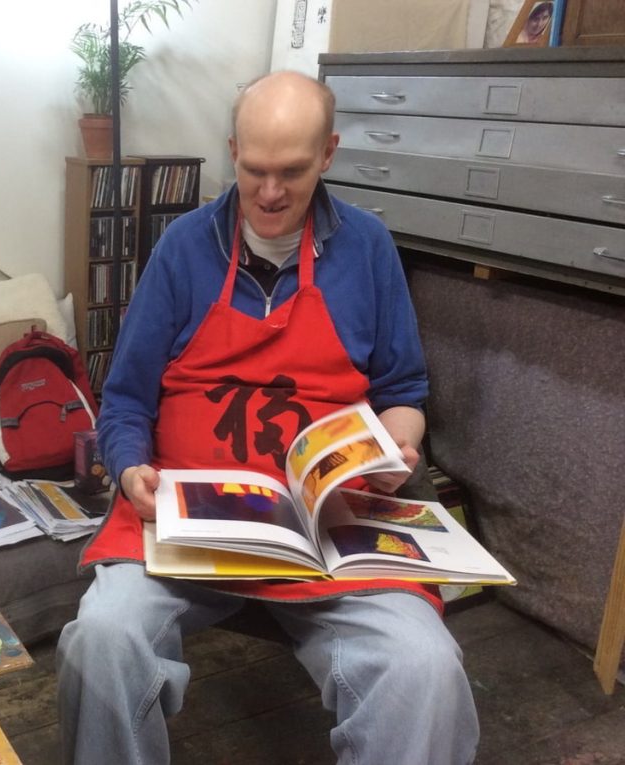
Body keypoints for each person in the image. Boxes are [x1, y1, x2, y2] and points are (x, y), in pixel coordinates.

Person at [57, 71, 479, 765]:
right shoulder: (184, 248)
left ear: (329, 154)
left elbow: (403, 388)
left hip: (330, 527)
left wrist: (400, 441)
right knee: (103, 637)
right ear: (232, 151)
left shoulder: (368, 248)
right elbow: (127, 396)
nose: (271, 192)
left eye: (293, 171)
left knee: (424, 669)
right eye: (254, 170)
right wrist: (131, 463)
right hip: (189, 521)